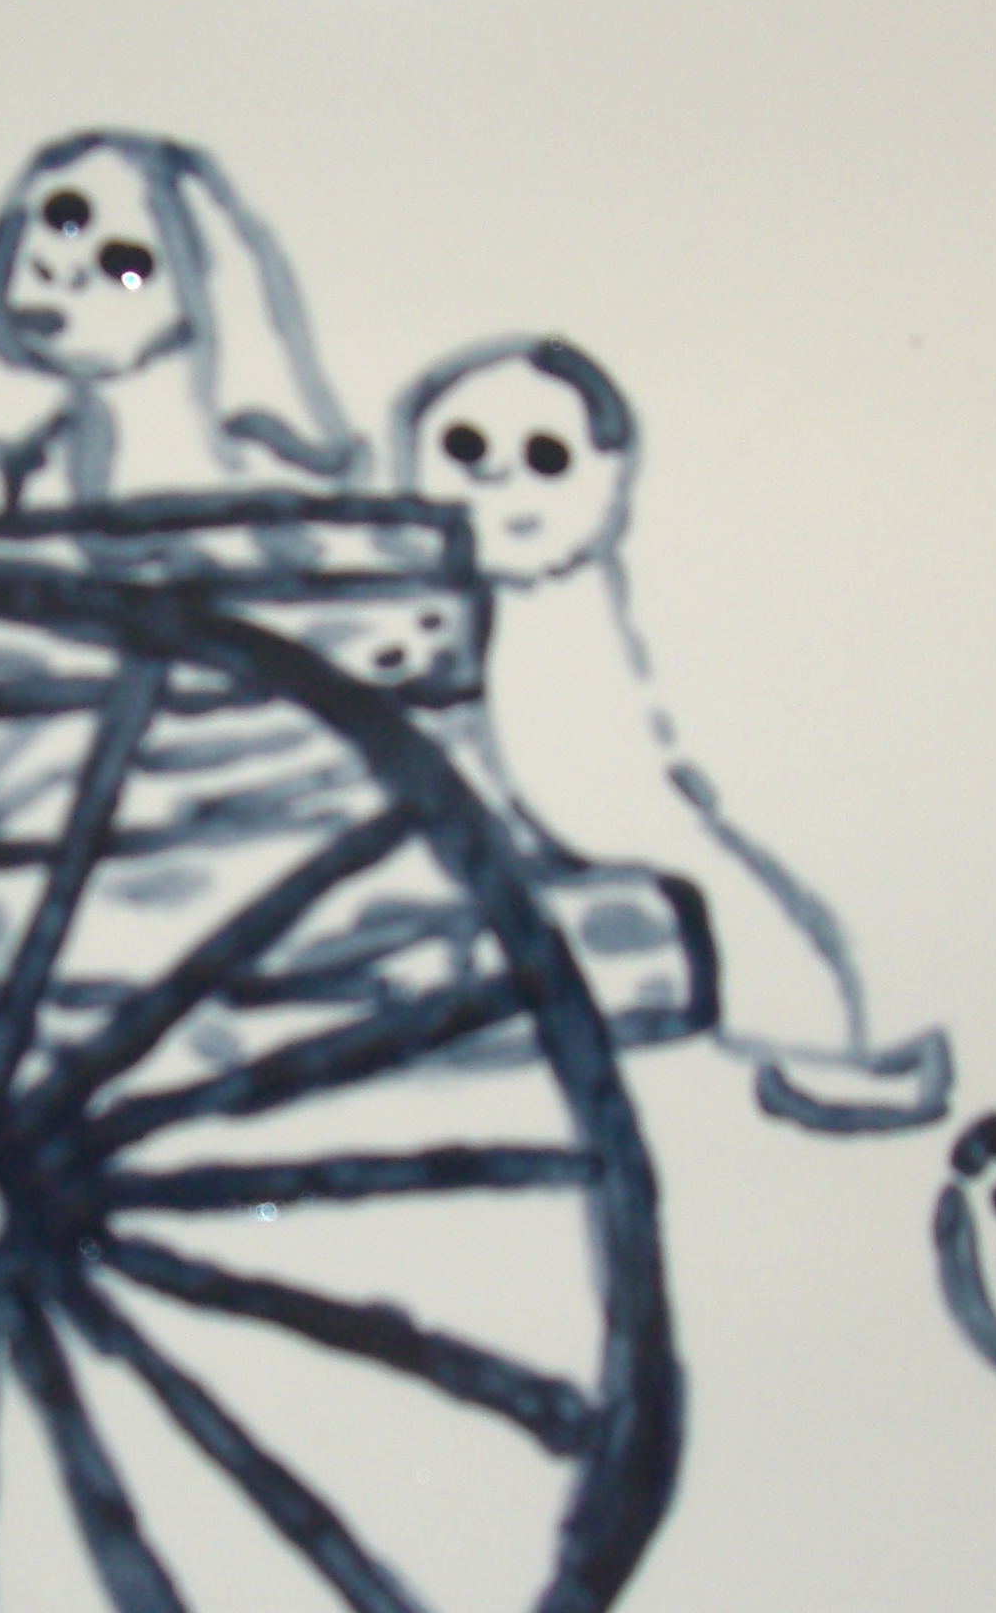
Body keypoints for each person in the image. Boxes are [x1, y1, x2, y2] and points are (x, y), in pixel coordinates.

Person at [394, 333, 951, 1131]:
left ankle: (834, 1036)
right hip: (572, 789)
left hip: (594, 782)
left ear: (611, 477)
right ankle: (828, 1040)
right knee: (722, 873)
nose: (499, 478)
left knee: (740, 862)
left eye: (547, 459)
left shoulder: (569, 591)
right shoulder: (506, 597)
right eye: (465, 449)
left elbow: (618, 722)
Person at [0, 131, 362, 516]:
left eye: (125, 266)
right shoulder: (43, 441)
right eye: (62, 219)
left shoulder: (249, 449)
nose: (67, 270)